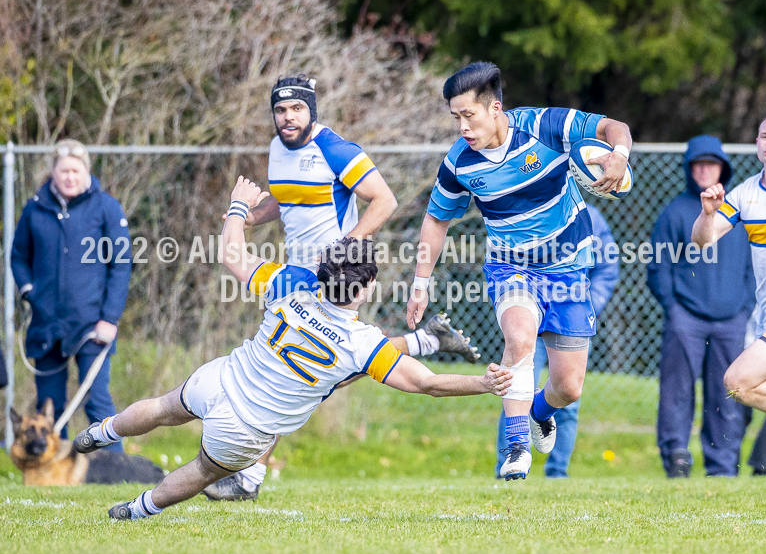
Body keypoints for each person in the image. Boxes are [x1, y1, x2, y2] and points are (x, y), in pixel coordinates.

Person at [73, 177, 512, 521]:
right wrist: (484, 383)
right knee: (204, 471)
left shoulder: (293, 284)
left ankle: (104, 431)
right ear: (368, 288)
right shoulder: (364, 345)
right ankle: (140, 508)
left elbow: (231, 255)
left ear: (321, 272)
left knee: (164, 406)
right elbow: (428, 383)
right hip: (247, 428)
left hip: (222, 379)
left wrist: (238, 207)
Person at [204, 75, 479, 501]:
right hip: (297, 274)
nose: (288, 117)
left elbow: (383, 200)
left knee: (301, 373)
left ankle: (248, 479)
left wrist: (344, 248)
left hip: (331, 278)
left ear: (312, 110)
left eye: (296, 109)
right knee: (312, 371)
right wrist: (251, 217)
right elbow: (287, 196)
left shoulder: (335, 149)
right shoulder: (279, 148)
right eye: (281, 110)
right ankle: (423, 341)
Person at [405, 61, 632, 480]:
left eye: (468, 116)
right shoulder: (459, 162)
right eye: (455, 118)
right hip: (511, 265)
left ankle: (540, 412)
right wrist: (421, 281)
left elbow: (614, 128)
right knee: (520, 337)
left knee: (568, 388)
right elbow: (437, 220)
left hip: (567, 268)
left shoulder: (544, 126)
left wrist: (618, 156)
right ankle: (515, 447)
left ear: (494, 108)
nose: (462, 128)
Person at [692, 104, 766, 474]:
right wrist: (707, 214)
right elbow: (702, 242)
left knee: (737, 382)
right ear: (756, 142)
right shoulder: (744, 194)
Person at [11, 139, 132, 452]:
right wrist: (29, 291)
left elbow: (121, 264)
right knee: (49, 405)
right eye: (63, 170)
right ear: (53, 172)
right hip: (46, 324)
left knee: (96, 401)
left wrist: (110, 318)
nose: (69, 177)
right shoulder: (35, 208)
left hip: (92, 324)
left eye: (75, 170)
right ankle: (54, 468)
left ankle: (113, 467)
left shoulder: (106, 207)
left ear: (86, 172)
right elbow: (18, 256)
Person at [647, 136, 756, 477]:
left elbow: (754, 265)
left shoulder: (737, 211)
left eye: (711, 163)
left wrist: (745, 306)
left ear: (723, 167)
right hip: (686, 319)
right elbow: (658, 267)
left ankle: (722, 465)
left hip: (732, 320)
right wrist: (674, 307)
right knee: (677, 392)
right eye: (697, 164)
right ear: (688, 169)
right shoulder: (675, 212)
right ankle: (676, 456)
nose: (704, 170)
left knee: (727, 393)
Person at [494, 204, 619, 478]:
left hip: (566, 320)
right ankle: (507, 467)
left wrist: (588, 305)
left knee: (567, 395)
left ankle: (557, 473)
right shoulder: (523, 210)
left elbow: (607, 266)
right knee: (517, 391)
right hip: (529, 323)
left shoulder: (588, 217)